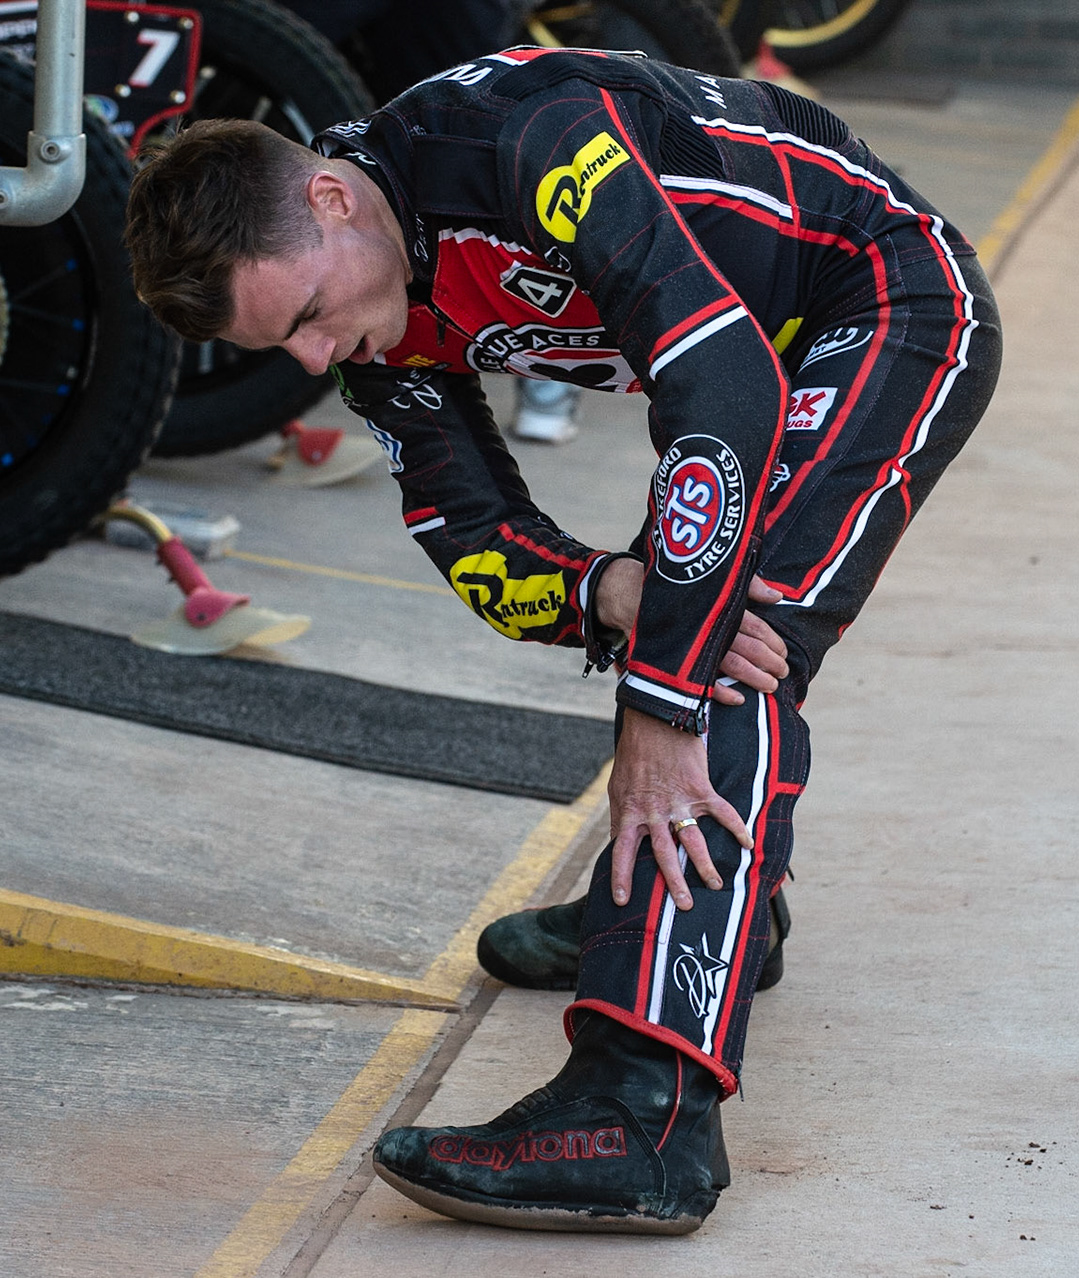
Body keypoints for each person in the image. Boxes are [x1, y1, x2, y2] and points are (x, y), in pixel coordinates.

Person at [124, 46, 1001, 1235]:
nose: (316, 363)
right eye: (281, 348)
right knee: (682, 605)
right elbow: (471, 535)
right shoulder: (372, 298)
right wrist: (607, 590)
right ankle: (726, 918)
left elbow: (724, 382)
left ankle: (643, 1112)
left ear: (329, 199)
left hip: (883, 303)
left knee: (729, 654)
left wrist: (661, 701)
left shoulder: (527, 144)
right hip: (751, 360)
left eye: (310, 321)